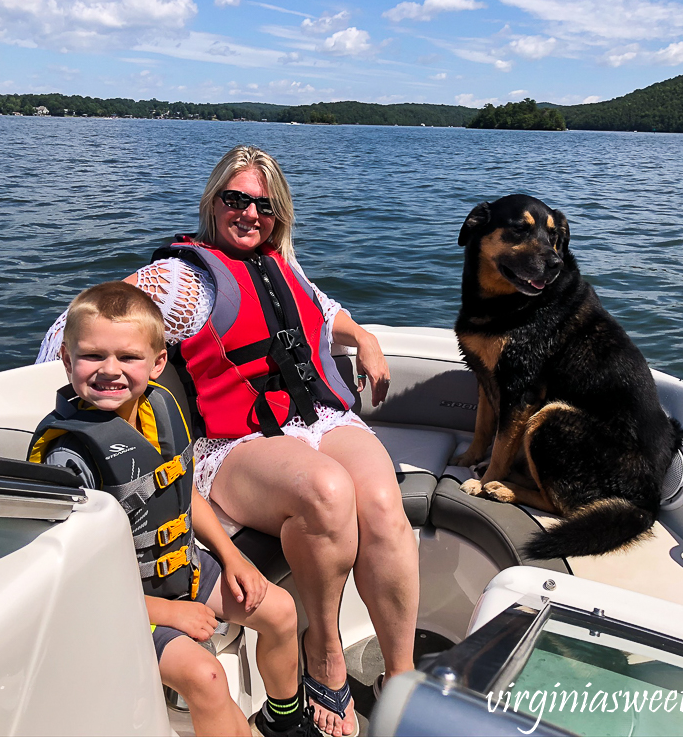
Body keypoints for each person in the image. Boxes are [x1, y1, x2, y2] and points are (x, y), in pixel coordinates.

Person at [37, 146, 419, 737]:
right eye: (235, 200)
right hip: (233, 441)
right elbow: (80, 321)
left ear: (279, 214)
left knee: (385, 506)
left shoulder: (280, 264)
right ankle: (326, 659)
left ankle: (401, 675)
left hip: (313, 415)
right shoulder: (179, 279)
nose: (249, 214)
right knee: (326, 490)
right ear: (212, 203)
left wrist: (363, 336)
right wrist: (76, 389)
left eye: (263, 205)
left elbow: (323, 311)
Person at [30, 281, 315, 737]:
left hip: (184, 568)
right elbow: (71, 581)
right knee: (205, 677)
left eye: (128, 357)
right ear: (65, 359)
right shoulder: (71, 457)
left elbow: (183, 497)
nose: (110, 371)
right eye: (91, 356)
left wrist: (232, 556)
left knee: (280, 611)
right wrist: (166, 613)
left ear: (158, 363)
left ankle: (282, 721)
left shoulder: (159, 408)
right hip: (118, 603)